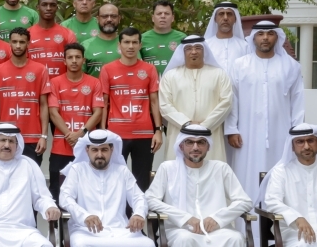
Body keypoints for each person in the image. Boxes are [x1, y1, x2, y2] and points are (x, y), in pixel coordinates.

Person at [146, 124, 253, 247]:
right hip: (180, 230)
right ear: (181, 145)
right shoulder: (168, 168)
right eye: (190, 142)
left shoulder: (221, 168)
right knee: (185, 240)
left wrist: (218, 218)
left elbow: (244, 201)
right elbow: (150, 199)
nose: (195, 147)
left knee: (234, 239)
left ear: (208, 146)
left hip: (217, 230)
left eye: (201, 143)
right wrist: (185, 218)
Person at [227, 21, 305, 207]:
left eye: (270, 33)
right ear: (253, 38)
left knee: (281, 176)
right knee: (246, 176)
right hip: (247, 134)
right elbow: (232, 99)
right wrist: (231, 129)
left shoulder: (291, 66)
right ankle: (247, 222)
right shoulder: (240, 65)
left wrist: (297, 133)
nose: (265, 38)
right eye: (260, 34)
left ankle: (279, 221)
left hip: (281, 134)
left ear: (277, 37)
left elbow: (298, 100)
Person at [99, 28, 162, 192]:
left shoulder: (149, 69)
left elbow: (154, 101)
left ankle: (138, 209)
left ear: (140, 45)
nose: (131, 46)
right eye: (126, 42)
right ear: (119, 45)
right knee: (113, 180)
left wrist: (158, 130)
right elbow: (104, 102)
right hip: (116, 134)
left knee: (141, 182)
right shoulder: (107, 69)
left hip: (144, 133)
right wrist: (103, 130)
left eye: (134, 42)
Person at [159, 35, 233, 162]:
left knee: (212, 167)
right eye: (189, 48)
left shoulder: (219, 74)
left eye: (198, 48)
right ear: (183, 52)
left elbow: (226, 102)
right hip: (180, 131)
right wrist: (186, 124)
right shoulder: (170, 76)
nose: (193, 52)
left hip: (210, 131)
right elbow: (165, 105)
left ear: (204, 51)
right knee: (178, 168)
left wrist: (204, 126)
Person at [47, 43, 104, 204]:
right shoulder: (55, 82)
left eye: (77, 57)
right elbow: (53, 112)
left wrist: (81, 133)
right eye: (70, 57)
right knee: (57, 190)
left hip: (87, 146)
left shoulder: (94, 83)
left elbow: (98, 112)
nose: (74, 61)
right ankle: (58, 221)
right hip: (61, 146)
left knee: (89, 191)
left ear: (83, 60)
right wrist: (69, 135)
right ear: (64, 61)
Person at [0, 28, 52, 162]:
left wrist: (44, 136)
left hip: (32, 137)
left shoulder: (40, 70)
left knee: (30, 174)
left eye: (22, 42)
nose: (18, 46)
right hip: (7, 137)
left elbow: (44, 105)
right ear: (9, 43)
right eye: (14, 42)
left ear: (28, 43)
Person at [27, 0, 77, 81]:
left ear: (57, 8)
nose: (48, 8)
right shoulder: (27, 34)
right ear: (38, 7)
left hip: (60, 86)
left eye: (52, 5)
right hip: (34, 84)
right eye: (44, 5)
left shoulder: (68, 34)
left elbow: (73, 63)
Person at [140, 0, 186, 76]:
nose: (163, 16)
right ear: (153, 18)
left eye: (167, 13)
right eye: (159, 13)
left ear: (172, 18)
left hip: (176, 82)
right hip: (151, 82)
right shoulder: (142, 39)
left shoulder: (183, 38)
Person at [203, 2, 250, 72]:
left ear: (235, 19)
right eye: (221, 14)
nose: (225, 18)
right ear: (215, 19)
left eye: (229, 14)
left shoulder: (245, 46)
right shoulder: (206, 45)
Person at [81, 3, 122, 76]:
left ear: (119, 19)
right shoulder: (85, 45)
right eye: (104, 16)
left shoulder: (128, 44)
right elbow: (79, 77)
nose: (109, 19)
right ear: (98, 19)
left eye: (113, 16)